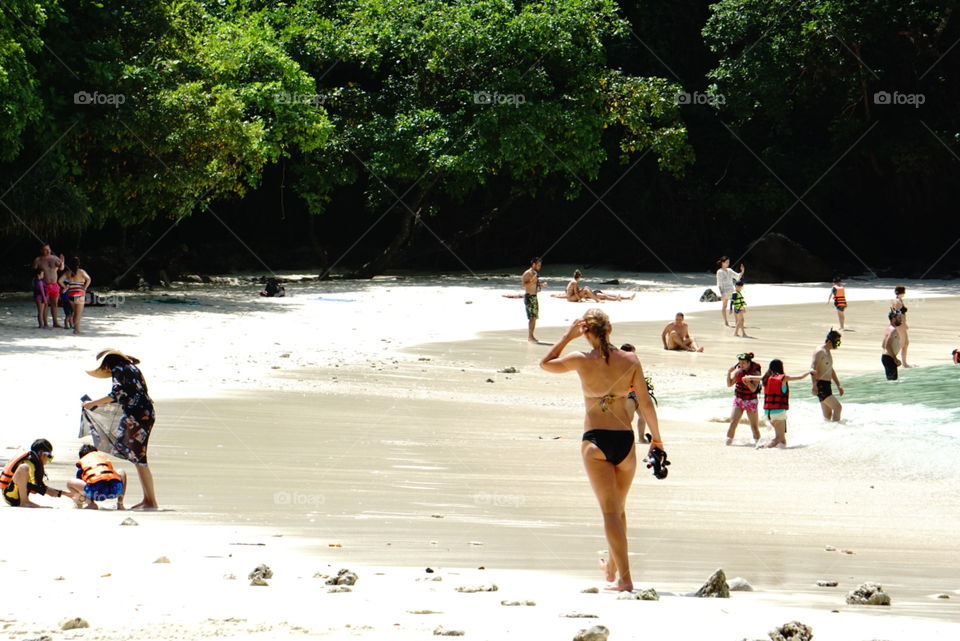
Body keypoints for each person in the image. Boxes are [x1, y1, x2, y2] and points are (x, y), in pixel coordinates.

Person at [539, 309, 664, 592]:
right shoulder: (631, 360)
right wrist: (657, 440)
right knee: (618, 510)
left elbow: (544, 363)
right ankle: (611, 568)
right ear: (610, 330)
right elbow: (645, 403)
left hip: (595, 440)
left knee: (609, 512)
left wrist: (567, 336)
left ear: (587, 332)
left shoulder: (580, 360)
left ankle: (625, 579)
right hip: (625, 441)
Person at [82, 350, 158, 510]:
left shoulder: (119, 368)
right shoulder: (130, 367)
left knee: (140, 459)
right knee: (139, 459)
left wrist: (92, 403)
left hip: (137, 416)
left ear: (106, 363)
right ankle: (148, 500)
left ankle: (151, 502)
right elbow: (128, 395)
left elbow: (116, 394)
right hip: (144, 412)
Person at [741, 360, 812, 448]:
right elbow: (800, 377)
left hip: (768, 413)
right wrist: (810, 371)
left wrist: (746, 378)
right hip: (778, 412)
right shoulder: (783, 378)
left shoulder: (766, 378)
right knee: (779, 437)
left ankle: (782, 451)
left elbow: (751, 377)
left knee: (782, 439)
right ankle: (763, 447)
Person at [1, 439, 74, 507]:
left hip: (16, 498)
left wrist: (66, 494)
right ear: (42, 454)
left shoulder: (35, 465)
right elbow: (29, 485)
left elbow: (39, 486)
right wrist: (47, 492)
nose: (49, 460)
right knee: (24, 467)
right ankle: (24, 502)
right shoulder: (28, 463)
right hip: (10, 496)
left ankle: (24, 501)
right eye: (50, 457)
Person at [66, 444, 126, 510]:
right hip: (115, 491)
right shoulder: (103, 460)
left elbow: (80, 489)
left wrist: (78, 501)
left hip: (96, 493)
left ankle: (91, 504)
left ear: (81, 457)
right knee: (121, 471)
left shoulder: (84, 463)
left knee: (70, 483)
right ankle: (120, 504)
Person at [619, 343, 657, 433]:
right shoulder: (619, 365)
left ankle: (641, 438)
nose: (635, 355)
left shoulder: (635, 363)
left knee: (643, 417)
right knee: (629, 418)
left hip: (637, 393)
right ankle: (624, 436)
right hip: (627, 395)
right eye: (633, 353)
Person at [725, 352, 761, 445]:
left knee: (754, 427)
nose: (741, 365)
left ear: (749, 362)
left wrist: (748, 382)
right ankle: (727, 444)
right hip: (739, 399)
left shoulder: (755, 372)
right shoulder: (738, 372)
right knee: (733, 422)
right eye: (740, 363)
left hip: (751, 401)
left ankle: (758, 444)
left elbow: (753, 389)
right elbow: (729, 384)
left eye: (743, 363)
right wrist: (729, 372)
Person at [812, 329, 844, 422]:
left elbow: (830, 369)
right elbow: (813, 368)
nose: (838, 345)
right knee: (838, 407)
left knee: (827, 416)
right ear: (830, 341)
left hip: (827, 385)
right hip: (821, 385)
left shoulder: (828, 352)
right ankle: (837, 430)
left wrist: (838, 385)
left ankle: (828, 433)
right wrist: (814, 385)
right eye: (837, 342)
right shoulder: (820, 351)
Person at [32, 243, 64, 328]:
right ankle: (45, 323)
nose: (47, 251)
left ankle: (55, 322)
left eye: (48, 249)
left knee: (54, 304)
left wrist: (62, 262)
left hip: (54, 285)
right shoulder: (38, 260)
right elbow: (34, 272)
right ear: (41, 250)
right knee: (45, 304)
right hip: (43, 285)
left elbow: (61, 268)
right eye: (45, 249)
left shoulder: (54, 258)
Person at [58, 256, 92, 334]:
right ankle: (76, 330)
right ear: (78, 263)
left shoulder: (67, 273)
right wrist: (85, 288)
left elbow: (59, 281)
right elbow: (89, 279)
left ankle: (75, 329)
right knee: (78, 314)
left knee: (75, 312)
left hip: (71, 294)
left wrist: (66, 287)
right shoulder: (82, 272)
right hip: (79, 294)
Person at [521, 257, 547, 342]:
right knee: (532, 317)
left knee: (534, 317)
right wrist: (532, 281)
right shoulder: (527, 273)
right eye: (538, 265)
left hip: (534, 297)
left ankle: (531, 336)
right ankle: (530, 336)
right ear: (533, 264)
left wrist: (541, 285)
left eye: (540, 265)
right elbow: (524, 285)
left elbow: (535, 285)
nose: (540, 266)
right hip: (529, 297)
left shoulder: (535, 273)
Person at [715, 256, 745, 327]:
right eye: (726, 262)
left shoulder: (730, 270)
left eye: (728, 262)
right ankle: (726, 322)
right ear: (722, 263)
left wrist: (742, 271)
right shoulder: (719, 272)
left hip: (732, 290)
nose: (728, 263)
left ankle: (736, 322)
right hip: (724, 291)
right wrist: (721, 294)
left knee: (736, 305)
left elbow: (737, 276)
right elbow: (719, 284)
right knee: (724, 306)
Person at [890, 286, 912, 367]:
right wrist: (903, 324)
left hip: (901, 324)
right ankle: (894, 360)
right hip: (900, 325)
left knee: (906, 343)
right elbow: (897, 314)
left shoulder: (899, 301)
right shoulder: (897, 302)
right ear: (902, 293)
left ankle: (904, 362)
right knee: (902, 344)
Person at [881, 311, 903, 381]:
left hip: (887, 358)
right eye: (899, 318)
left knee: (891, 381)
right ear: (893, 319)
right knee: (893, 381)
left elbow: (883, 345)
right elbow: (887, 345)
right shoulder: (893, 330)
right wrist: (895, 358)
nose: (901, 320)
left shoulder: (888, 329)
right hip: (889, 358)